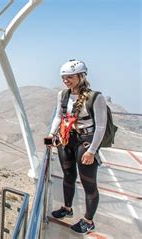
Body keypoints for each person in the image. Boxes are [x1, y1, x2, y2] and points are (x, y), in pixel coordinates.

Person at [48, 60, 107, 234]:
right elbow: (59, 116)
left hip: (86, 140)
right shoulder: (63, 95)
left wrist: (92, 151)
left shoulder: (96, 97)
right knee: (68, 175)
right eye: (64, 77)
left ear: (81, 76)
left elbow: (101, 126)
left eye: (70, 77)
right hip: (67, 138)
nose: (66, 80)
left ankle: (88, 221)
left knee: (88, 183)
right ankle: (67, 208)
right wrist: (51, 135)